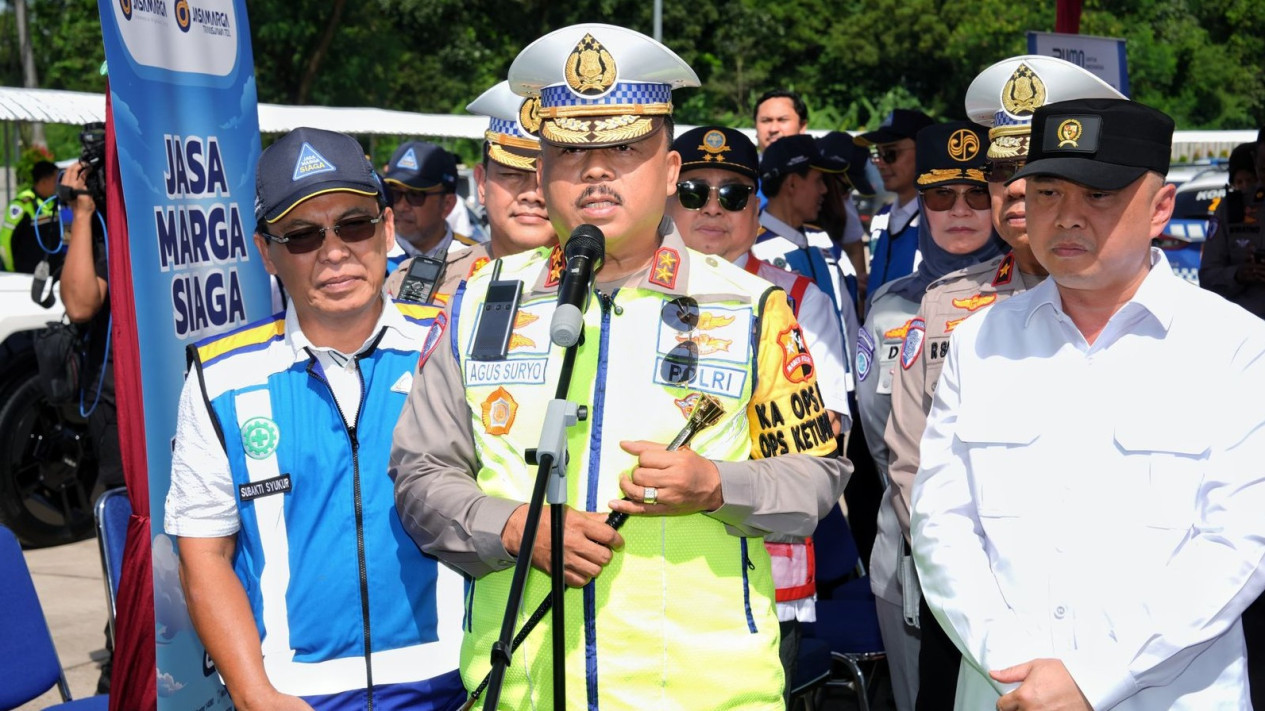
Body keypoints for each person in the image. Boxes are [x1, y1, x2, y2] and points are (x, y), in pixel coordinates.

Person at [390, 23, 849, 710]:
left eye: (625, 148)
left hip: (706, 696)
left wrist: (715, 485)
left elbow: (817, 477)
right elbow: (419, 475)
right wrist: (511, 527)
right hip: (521, 686)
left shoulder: (753, 305)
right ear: (541, 170)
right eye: (571, 151)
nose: (596, 170)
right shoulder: (479, 300)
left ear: (668, 170)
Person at [913, 97, 1265, 710]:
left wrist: (1093, 676)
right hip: (1006, 691)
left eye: (1097, 196)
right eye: (1047, 194)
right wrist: (1012, 663)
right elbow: (941, 525)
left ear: (1161, 208)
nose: (1067, 218)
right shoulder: (981, 342)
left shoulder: (1235, 347)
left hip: (1165, 695)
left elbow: (1237, 545)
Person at [165, 127, 465, 711]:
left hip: (454, 685)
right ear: (266, 252)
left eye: (353, 224)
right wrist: (255, 695)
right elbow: (204, 553)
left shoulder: (452, 345)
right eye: (302, 235)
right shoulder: (219, 376)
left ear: (385, 227)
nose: (333, 251)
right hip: (294, 698)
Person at [882, 56, 1125, 711]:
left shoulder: (1180, 325)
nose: (1015, 189)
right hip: (975, 621)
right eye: (999, 172)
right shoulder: (944, 307)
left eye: (1039, 171)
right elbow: (913, 470)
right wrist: (983, 599)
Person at [666, 124, 851, 704]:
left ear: (758, 208)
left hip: (766, 577)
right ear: (669, 197)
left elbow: (823, 444)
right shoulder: (623, 291)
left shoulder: (799, 300)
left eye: (734, 193)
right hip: (646, 577)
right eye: (694, 191)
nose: (713, 207)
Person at [854, 120, 1004, 711]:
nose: (960, 210)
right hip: (904, 556)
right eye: (942, 195)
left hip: (1004, 555)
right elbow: (875, 433)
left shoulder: (1031, 299)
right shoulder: (890, 306)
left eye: (977, 194)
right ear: (922, 203)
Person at [387, 81, 555, 300]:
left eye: (549, 176)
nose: (532, 194)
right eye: (512, 175)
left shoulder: (602, 288)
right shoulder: (414, 285)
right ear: (482, 183)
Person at [854, 109, 935, 300]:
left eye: (890, 153)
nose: (880, 163)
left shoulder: (938, 220)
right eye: (877, 154)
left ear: (924, 151)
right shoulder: (882, 217)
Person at [382, 139, 482, 274]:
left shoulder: (476, 262)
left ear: (447, 204)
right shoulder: (372, 257)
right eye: (394, 193)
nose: (401, 206)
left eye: (415, 195)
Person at [1199, 128, 1265, 319]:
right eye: (1264, 169)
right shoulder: (1232, 209)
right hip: (1248, 330)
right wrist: (1240, 274)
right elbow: (1208, 277)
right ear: (1256, 161)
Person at [816, 131, 873, 302]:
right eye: (844, 188)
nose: (847, 196)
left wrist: (857, 285)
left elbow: (856, 253)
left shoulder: (843, 207)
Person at [1, 159, 59, 273]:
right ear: (44, 181)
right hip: (26, 275)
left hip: (49, 272)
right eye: (54, 180)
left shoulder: (52, 202)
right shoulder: (22, 204)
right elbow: (6, 240)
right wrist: (11, 270)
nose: (57, 184)